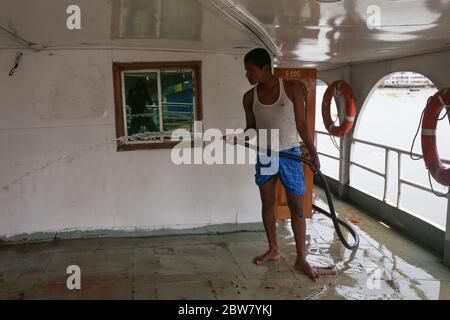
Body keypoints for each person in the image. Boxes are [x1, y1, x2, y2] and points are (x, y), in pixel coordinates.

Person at [241, 48, 321, 282]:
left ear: (266, 69)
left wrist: (313, 153)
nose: (247, 75)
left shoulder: (292, 89)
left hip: (291, 155)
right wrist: (241, 136)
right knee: (268, 202)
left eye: (251, 70)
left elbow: (303, 125)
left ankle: (301, 258)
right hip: (265, 154)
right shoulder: (249, 97)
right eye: (246, 70)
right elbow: (251, 127)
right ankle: (274, 249)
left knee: (297, 208)